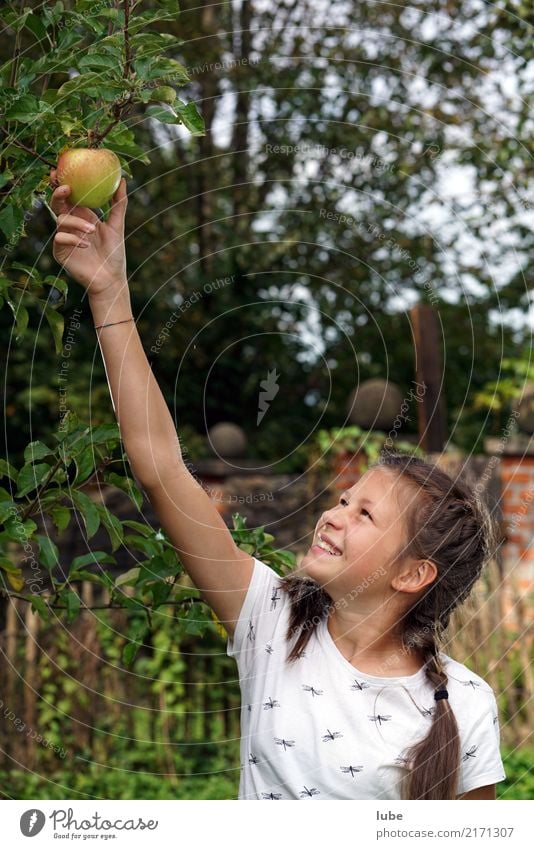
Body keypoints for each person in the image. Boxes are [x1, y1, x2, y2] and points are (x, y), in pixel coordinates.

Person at [48, 174, 507, 801]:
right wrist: (108, 292)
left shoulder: (466, 705)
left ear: (412, 574)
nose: (332, 515)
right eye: (343, 500)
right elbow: (158, 463)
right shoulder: (272, 621)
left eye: (365, 514)